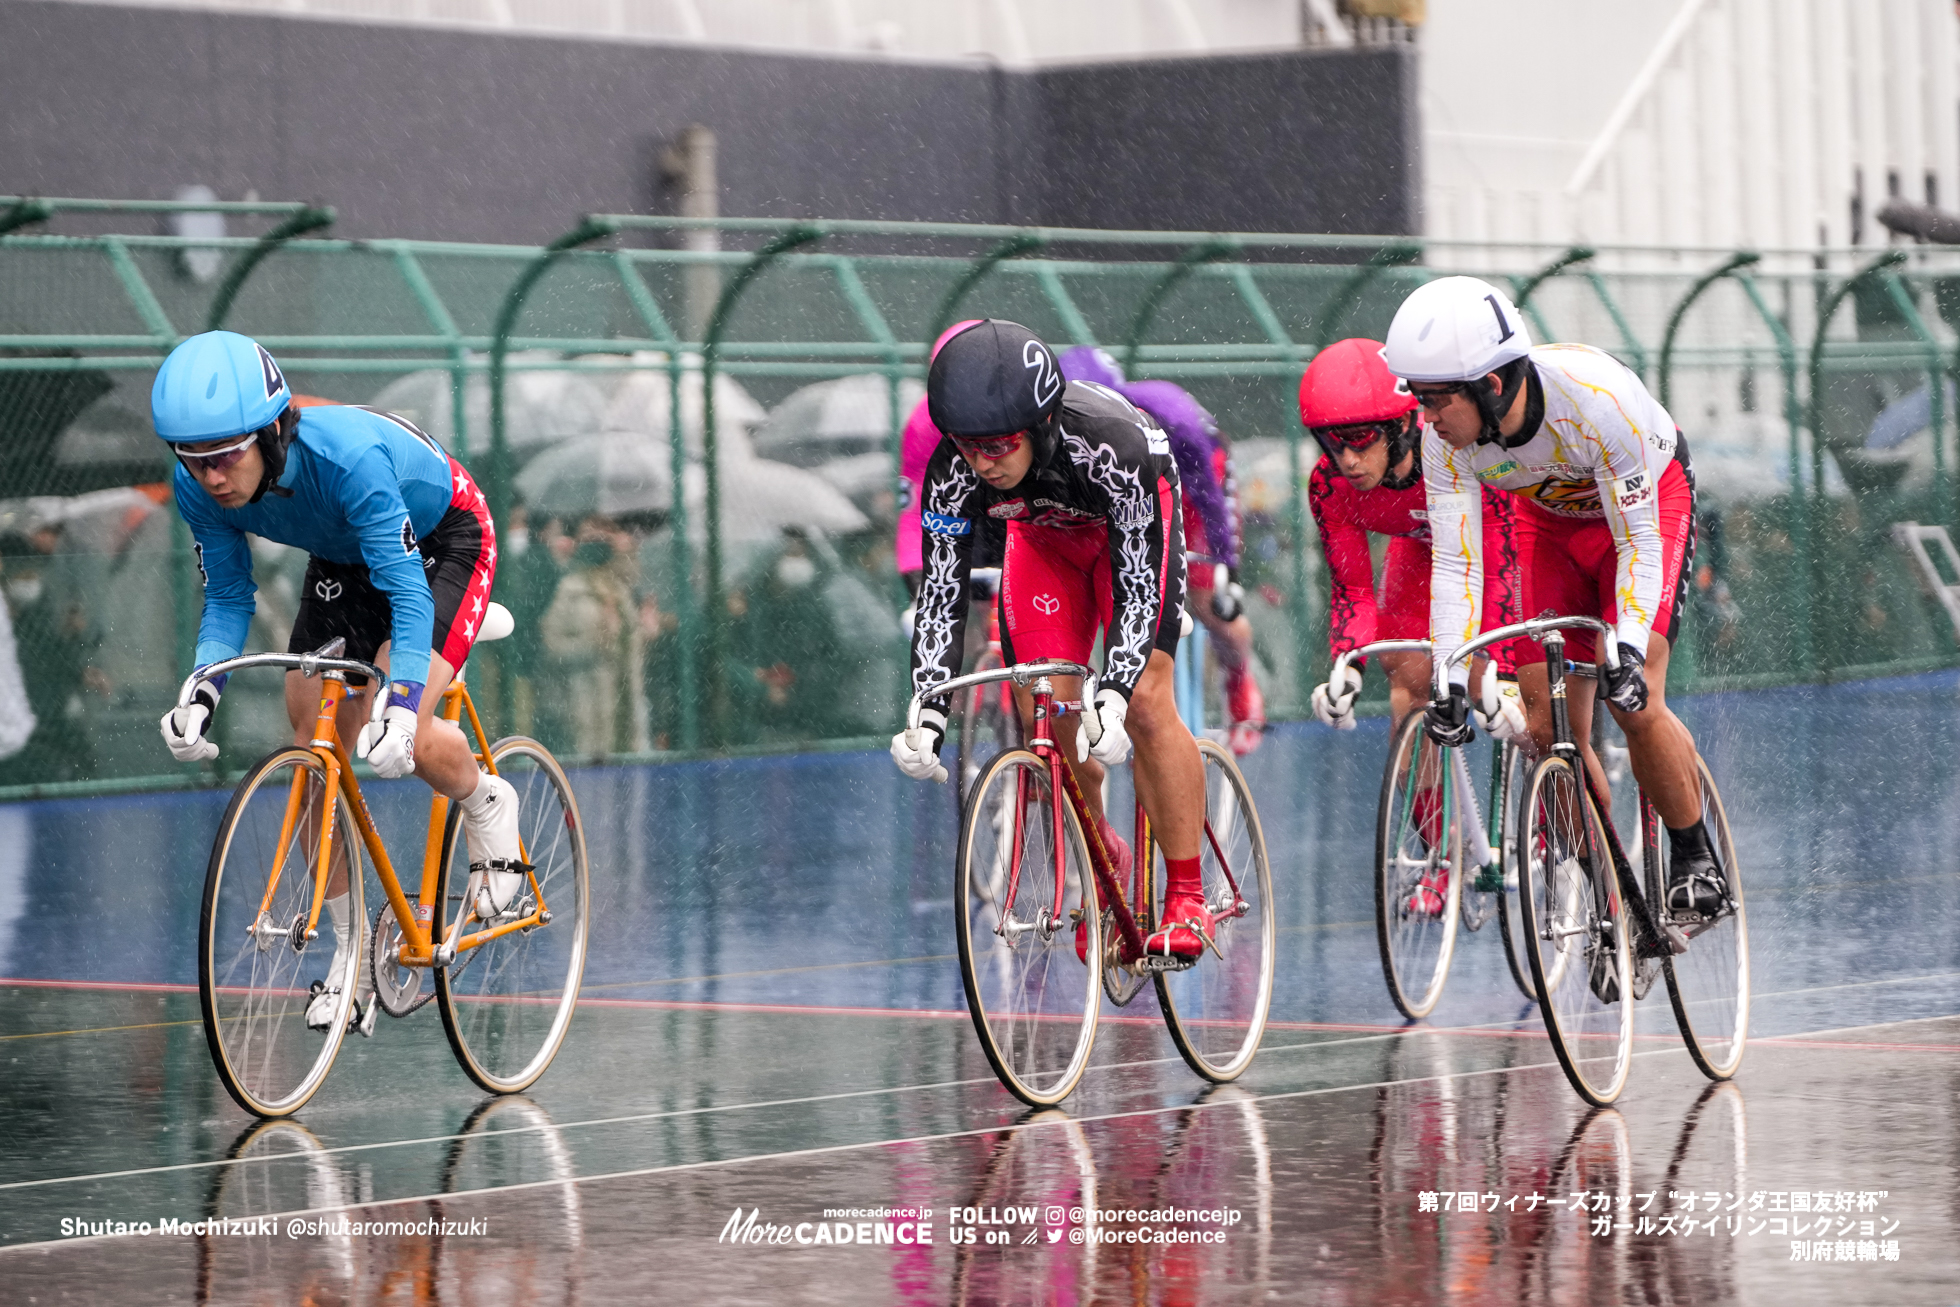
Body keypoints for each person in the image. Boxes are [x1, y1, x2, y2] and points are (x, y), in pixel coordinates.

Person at [152, 330, 524, 1033]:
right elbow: (228, 596)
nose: (211, 477)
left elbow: (409, 598)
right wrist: (201, 691)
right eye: (192, 460)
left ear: (271, 431)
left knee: (391, 711)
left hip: (444, 541)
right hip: (344, 554)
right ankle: (352, 954)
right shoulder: (199, 488)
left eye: (226, 455)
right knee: (314, 739)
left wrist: (406, 704)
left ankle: (485, 801)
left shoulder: (346, 461)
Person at [1381, 277, 1727, 936]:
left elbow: (1638, 543)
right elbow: (1458, 564)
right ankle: (1609, 896)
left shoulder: (1597, 400)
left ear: (1493, 383)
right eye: (1417, 400)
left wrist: (1625, 648)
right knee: (1546, 726)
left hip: (1647, 513)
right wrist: (1449, 676)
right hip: (1552, 528)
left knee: (1636, 698)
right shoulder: (1443, 441)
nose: (1423, 417)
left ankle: (1693, 853)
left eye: (1433, 399)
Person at [890, 319, 1212, 959]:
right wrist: (928, 708)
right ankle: (1104, 856)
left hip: (1129, 544)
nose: (984, 463)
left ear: (1037, 425)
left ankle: (1186, 893)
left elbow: (1142, 584)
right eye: (969, 446)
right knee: (1045, 713)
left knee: (1147, 701)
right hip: (1045, 550)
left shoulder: (1111, 446)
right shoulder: (955, 470)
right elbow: (942, 589)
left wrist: (1116, 691)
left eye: (1000, 446)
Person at [1300, 338, 1527, 748]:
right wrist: (1348, 669)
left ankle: (1550, 792)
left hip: (1504, 553)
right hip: (1422, 552)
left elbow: (1498, 570)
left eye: (1360, 437)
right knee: (1408, 683)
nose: (1347, 458)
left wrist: (1504, 669)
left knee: (1515, 707)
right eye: (1331, 441)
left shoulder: (1459, 452)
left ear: (1401, 426)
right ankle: (1428, 813)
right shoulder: (1329, 485)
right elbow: (1352, 590)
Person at [1055, 347, 1267, 754]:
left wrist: (1227, 566)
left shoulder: (1174, 419)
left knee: (1207, 594)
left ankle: (1240, 679)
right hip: (1130, 480)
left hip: (1194, 478)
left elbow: (1209, 497)